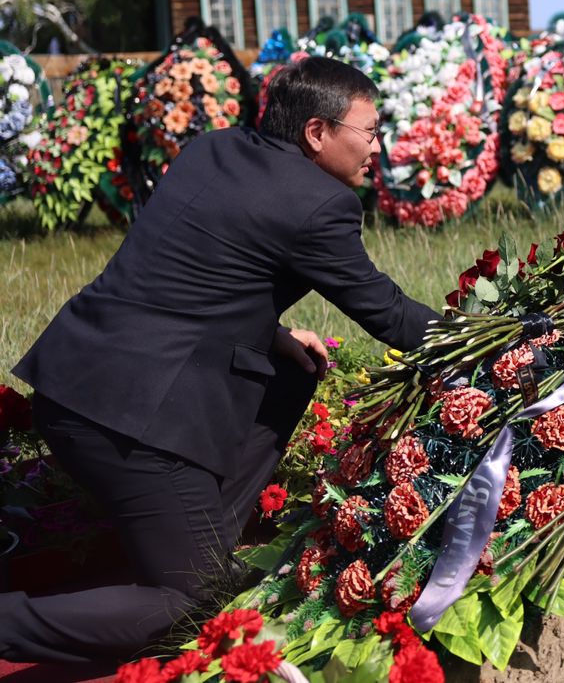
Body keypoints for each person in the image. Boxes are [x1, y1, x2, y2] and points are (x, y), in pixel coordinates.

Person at [0, 57, 434, 662]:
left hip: (71, 380)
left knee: (292, 365)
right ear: (317, 132)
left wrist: (270, 329)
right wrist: (502, 335)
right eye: (370, 132)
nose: (377, 148)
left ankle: (194, 541)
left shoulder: (212, 148)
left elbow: (198, 268)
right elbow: (391, 316)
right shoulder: (319, 204)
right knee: (200, 606)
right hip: (131, 420)